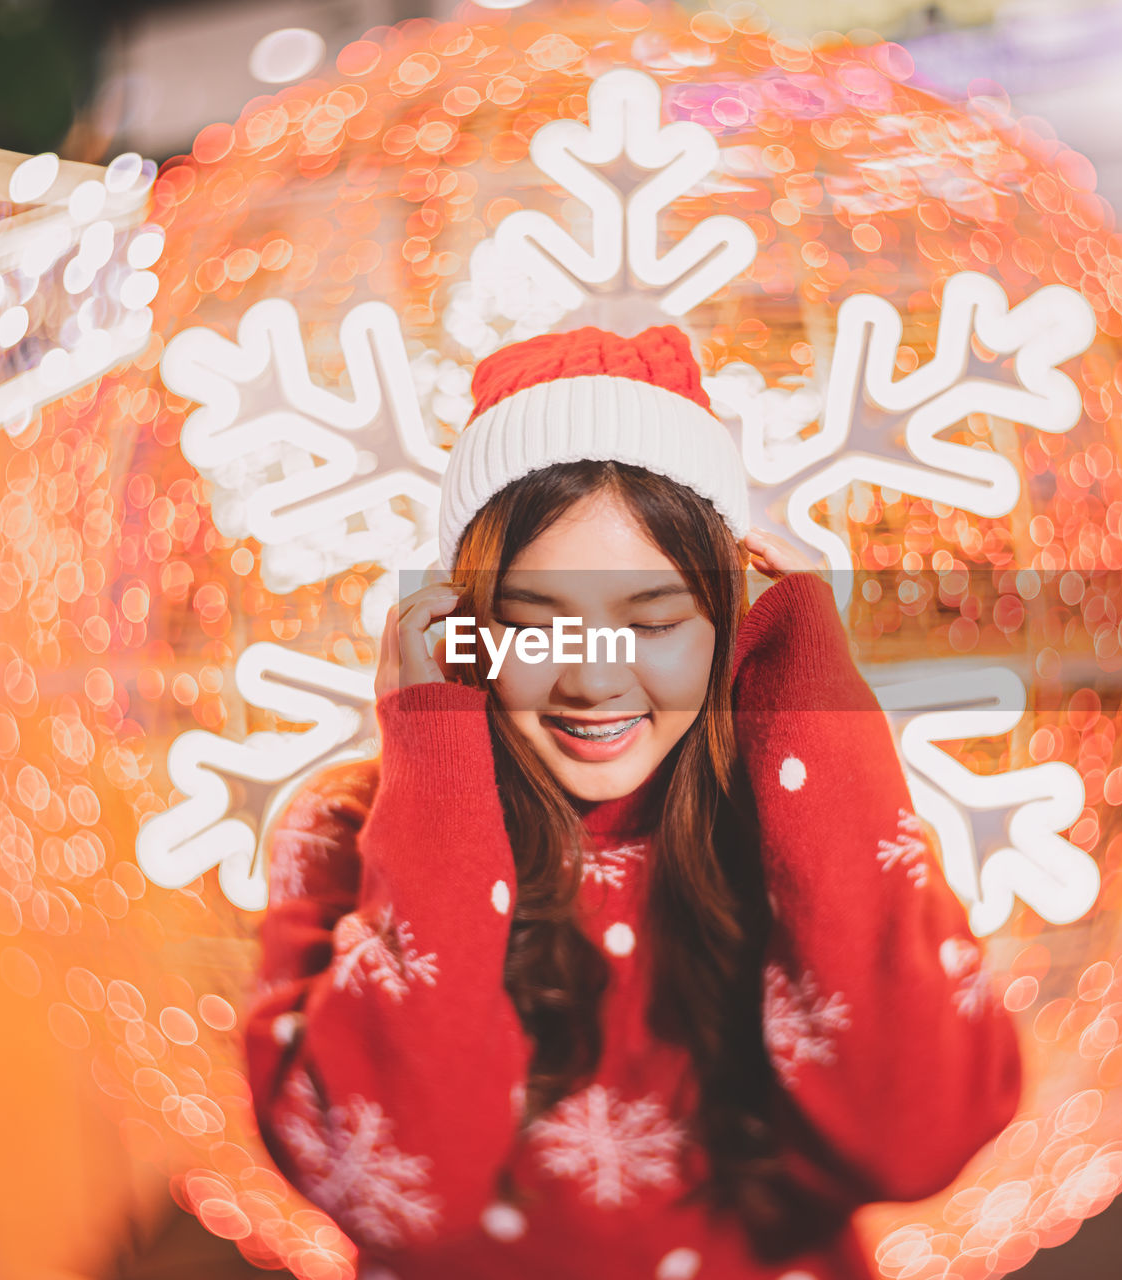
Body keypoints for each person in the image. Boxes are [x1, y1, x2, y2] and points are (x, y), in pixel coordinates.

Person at [243, 325, 1024, 1280]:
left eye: (652, 622)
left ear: (728, 624)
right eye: (534, 628)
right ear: (464, 627)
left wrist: (809, 708)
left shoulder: (808, 807)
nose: (592, 682)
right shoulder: (341, 832)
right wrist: (438, 771)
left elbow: (918, 1140)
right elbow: (388, 1195)